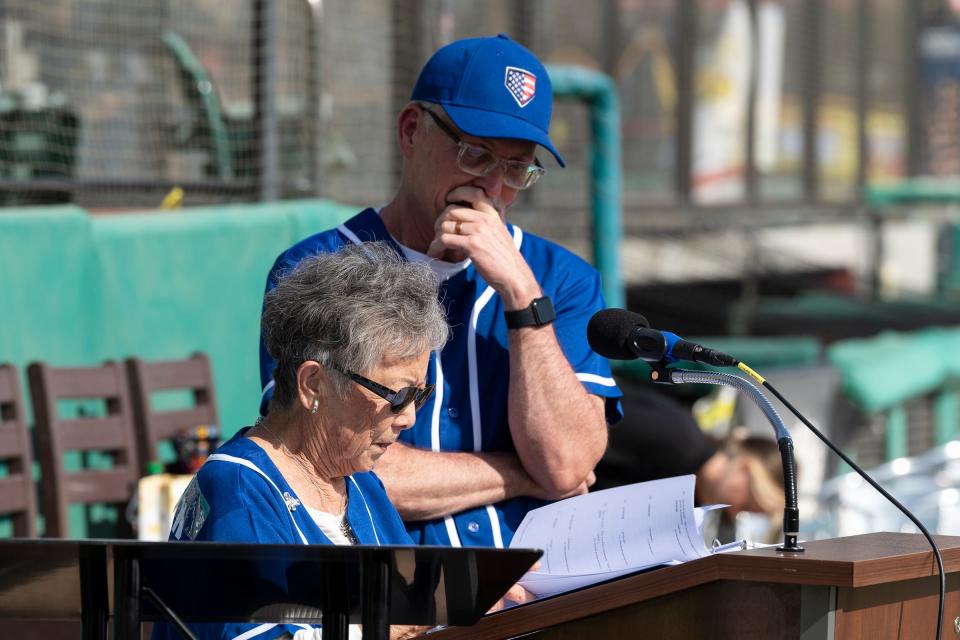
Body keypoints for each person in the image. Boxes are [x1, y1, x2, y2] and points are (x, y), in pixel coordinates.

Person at [259, 34, 622, 548]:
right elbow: (325, 460)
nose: (494, 189)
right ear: (411, 132)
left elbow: (566, 465)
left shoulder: (558, 277)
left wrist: (521, 295)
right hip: (393, 592)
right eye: (477, 155)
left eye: (517, 168)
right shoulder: (317, 270)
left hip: (538, 583)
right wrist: (516, 475)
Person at [155, 243, 450, 640]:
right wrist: (375, 630)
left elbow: (418, 608)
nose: (410, 416)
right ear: (314, 384)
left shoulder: (360, 482)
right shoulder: (239, 488)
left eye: (420, 395)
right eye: (396, 396)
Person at [593, 381, 784, 541]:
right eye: (746, 505)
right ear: (745, 468)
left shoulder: (690, 503)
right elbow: (589, 421)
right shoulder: (680, 439)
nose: (734, 515)